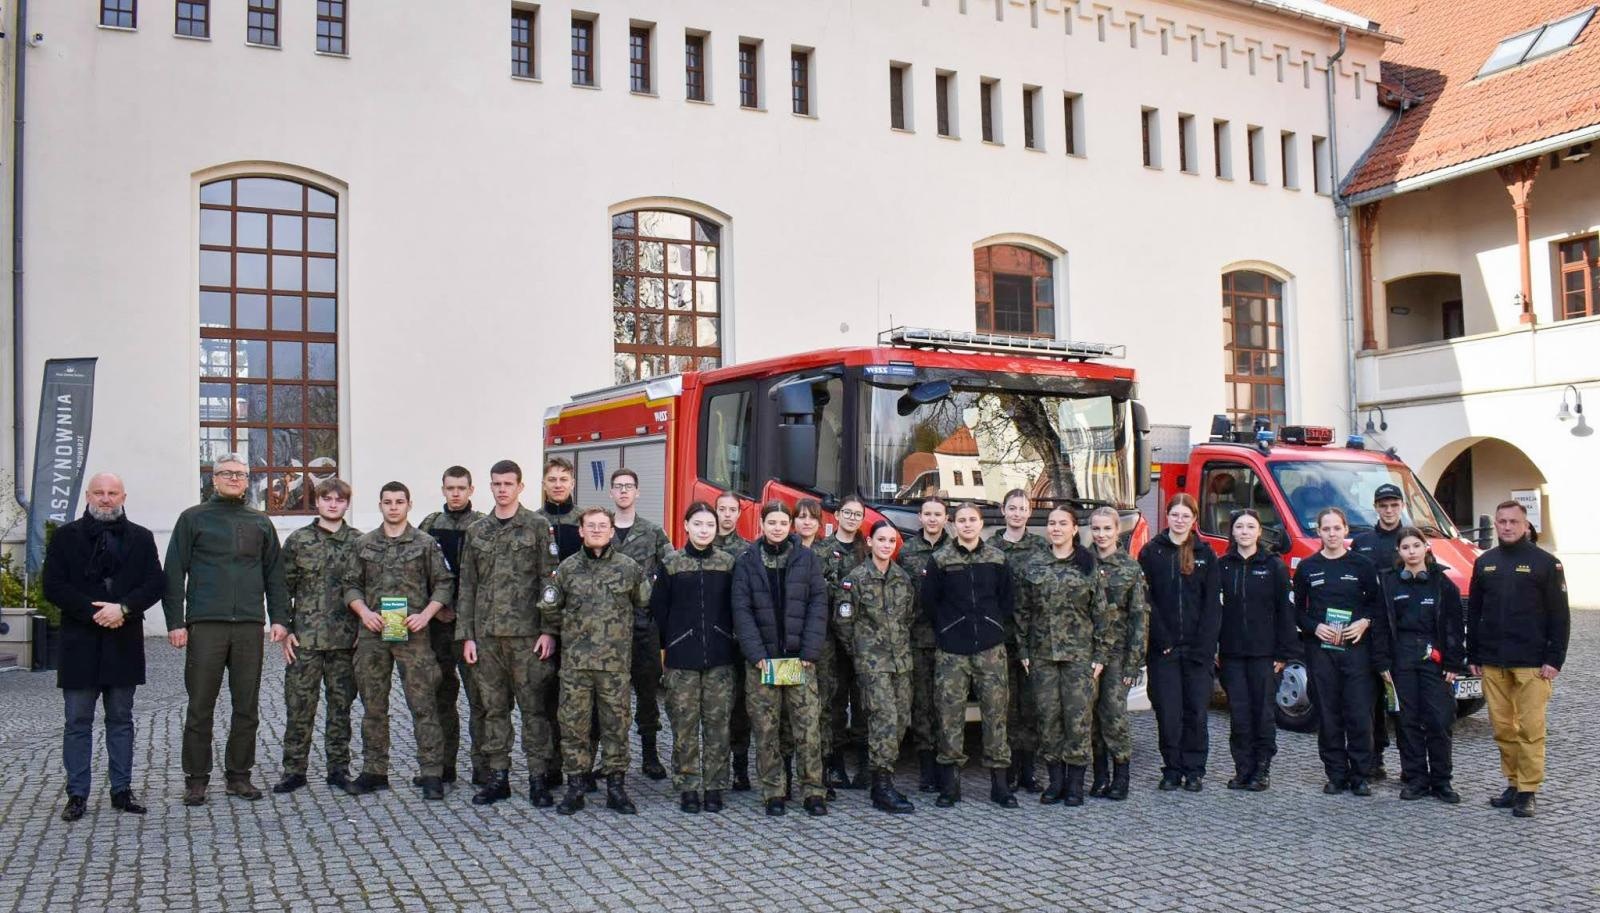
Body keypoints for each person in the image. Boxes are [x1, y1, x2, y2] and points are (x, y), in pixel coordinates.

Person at [164, 453, 290, 806]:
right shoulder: (193, 519)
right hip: (206, 624)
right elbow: (174, 572)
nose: (235, 479)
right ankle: (196, 778)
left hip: (249, 625)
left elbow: (274, 575)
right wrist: (176, 622)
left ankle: (239, 775)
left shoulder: (260, 522)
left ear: (248, 481)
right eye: (227, 473)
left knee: (247, 705)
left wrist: (279, 617)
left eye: (241, 474)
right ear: (214, 478)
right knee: (200, 704)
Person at [44, 472, 165, 821]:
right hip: (79, 641)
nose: (106, 498)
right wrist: (94, 612)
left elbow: (154, 582)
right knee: (77, 721)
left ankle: (121, 791)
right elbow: (53, 585)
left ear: (124, 496)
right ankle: (77, 794)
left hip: (123, 641)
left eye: (112, 493)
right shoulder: (66, 537)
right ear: (88, 495)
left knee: (121, 720)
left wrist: (123, 609)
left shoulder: (141, 538)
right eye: (99, 492)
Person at [340, 482, 454, 800]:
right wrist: (363, 612)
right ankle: (374, 771)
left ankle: (431, 773)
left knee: (424, 706)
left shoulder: (425, 543)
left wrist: (426, 615)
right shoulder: (364, 544)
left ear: (409, 504)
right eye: (388, 502)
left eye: (399, 502)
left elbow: (444, 584)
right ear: (380, 505)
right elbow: (350, 585)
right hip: (373, 635)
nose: (393, 507)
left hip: (413, 635)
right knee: (373, 707)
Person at [457, 460, 558, 807]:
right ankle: (498, 776)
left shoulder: (537, 526)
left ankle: (538, 778)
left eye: (508, 483)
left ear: (520, 487)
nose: (502, 489)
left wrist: (549, 630)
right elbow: (467, 584)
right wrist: (467, 635)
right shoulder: (477, 531)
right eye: (497, 483)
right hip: (486, 637)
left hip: (527, 637)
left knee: (534, 711)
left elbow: (549, 582)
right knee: (493, 710)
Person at [546, 507, 651, 816]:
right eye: (590, 526)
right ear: (580, 531)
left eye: (602, 526)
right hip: (576, 665)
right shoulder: (567, 569)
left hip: (614, 666)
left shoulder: (628, 568)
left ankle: (616, 787)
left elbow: (644, 603)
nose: (595, 530)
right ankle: (576, 786)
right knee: (574, 726)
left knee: (616, 726)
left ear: (610, 531)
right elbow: (550, 607)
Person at [1468, 500, 1569, 818]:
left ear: (1526, 526)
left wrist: (1554, 659)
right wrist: (1473, 654)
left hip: (1532, 663)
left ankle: (1528, 790)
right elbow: (1475, 612)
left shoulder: (1546, 564)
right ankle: (1512, 783)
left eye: (1513, 521)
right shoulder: (1485, 562)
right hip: (1493, 661)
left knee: (1530, 728)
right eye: (1501, 521)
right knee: (1502, 727)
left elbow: (1560, 616)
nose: (1507, 526)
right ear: (1494, 525)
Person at [731, 500, 830, 817]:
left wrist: (809, 652)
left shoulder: (806, 559)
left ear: (790, 526)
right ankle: (774, 790)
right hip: (763, 663)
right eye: (771, 522)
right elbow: (741, 610)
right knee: (766, 730)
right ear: (761, 524)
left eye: (782, 522)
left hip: (799, 661)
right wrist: (756, 654)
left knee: (807, 730)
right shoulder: (747, 560)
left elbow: (818, 605)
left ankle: (813, 790)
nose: (777, 527)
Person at [922, 503, 1016, 809]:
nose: (967, 525)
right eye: (961, 520)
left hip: (990, 648)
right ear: (953, 524)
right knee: (949, 716)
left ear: (981, 524)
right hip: (952, 651)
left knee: (996, 715)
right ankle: (950, 786)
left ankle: (1000, 786)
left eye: (972, 520)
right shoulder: (940, 560)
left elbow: (1007, 601)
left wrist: (992, 626)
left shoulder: (997, 558)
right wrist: (949, 630)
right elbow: (930, 604)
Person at [272, 478, 362, 795]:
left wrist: (362, 631)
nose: (333, 504)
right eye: (327, 499)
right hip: (305, 640)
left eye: (339, 499)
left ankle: (338, 769)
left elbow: (368, 591)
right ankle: (294, 771)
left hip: (345, 641)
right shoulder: (299, 541)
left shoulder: (358, 542)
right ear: (318, 502)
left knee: (341, 708)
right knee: (299, 707)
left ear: (347, 504)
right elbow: (283, 587)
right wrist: (283, 627)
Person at [1015, 506, 1108, 808]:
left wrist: (1100, 655)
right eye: (1052, 523)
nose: (1055, 528)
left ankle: (1076, 785)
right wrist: (1024, 650)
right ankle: (1055, 783)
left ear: (1073, 529)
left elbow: (1101, 612)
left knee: (1078, 720)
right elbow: (1022, 612)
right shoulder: (1034, 565)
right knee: (1048, 719)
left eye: (1062, 523)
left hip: (1080, 658)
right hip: (1042, 656)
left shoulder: (1088, 564)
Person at [651, 502, 739, 814]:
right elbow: (658, 611)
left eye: (709, 525)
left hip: (720, 657)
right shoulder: (672, 563)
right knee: (684, 726)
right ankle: (687, 785)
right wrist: (668, 647)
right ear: (686, 526)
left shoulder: (728, 563)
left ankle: (714, 786)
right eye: (698, 524)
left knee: (717, 726)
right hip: (681, 658)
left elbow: (736, 608)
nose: (704, 530)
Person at [1294, 507, 1388, 797]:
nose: (1332, 534)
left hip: (1357, 650)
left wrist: (1364, 622)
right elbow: (1298, 611)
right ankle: (1335, 774)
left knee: (1359, 714)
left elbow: (1377, 606)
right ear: (1318, 532)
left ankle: (1360, 774)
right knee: (1329, 714)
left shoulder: (1362, 565)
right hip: (1322, 651)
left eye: (1337, 528)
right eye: (1326, 529)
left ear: (1346, 530)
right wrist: (1314, 627)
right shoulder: (1308, 568)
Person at [1138, 493, 1219, 792]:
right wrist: (1163, 639)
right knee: (1168, 714)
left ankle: (1194, 770)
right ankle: (1172, 768)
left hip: (1198, 651)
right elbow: (1147, 601)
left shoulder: (1206, 555)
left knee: (1196, 712)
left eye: (1186, 516)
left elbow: (1212, 605)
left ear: (1194, 520)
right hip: (1164, 650)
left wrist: (1205, 647)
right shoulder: (1151, 553)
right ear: (1168, 516)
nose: (1180, 520)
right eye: (1175, 515)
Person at [1212, 509, 1298, 792]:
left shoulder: (1273, 566)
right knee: (1239, 714)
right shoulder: (1222, 566)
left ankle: (1262, 769)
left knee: (1263, 713)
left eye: (1251, 526)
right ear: (1232, 532)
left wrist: (1283, 654)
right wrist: (1216, 648)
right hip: (1233, 654)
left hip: (1265, 656)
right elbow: (1215, 612)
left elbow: (1285, 612)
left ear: (1259, 532)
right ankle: (1242, 768)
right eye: (1240, 526)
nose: (1245, 531)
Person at [836, 520, 916, 813]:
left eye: (891, 541)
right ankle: (882, 787)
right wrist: (861, 653)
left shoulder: (902, 579)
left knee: (899, 721)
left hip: (902, 664)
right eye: (881, 539)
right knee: (883, 719)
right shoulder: (855, 579)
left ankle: (880, 775)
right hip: (873, 664)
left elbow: (908, 618)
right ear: (869, 542)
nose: (886, 545)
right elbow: (844, 623)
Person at [1381, 527, 1465, 804]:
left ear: (1426, 547)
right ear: (1399, 552)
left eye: (1416, 545)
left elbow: (1454, 625)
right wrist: (1382, 662)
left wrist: (1453, 660)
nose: (1412, 551)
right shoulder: (1389, 583)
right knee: (1407, 721)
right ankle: (1416, 778)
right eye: (1406, 547)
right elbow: (1381, 626)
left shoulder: (1443, 583)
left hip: (1435, 659)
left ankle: (1442, 781)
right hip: (1401, 659)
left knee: (1439, 720)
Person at [418, 466, 486, 786]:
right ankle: (444, 765)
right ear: (442, 489)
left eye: (461, 488)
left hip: (472, 628)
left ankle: (482, 767)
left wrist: (461, 612)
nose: (455, 493)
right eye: (450, 488)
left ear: (471, 490)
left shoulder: (484, 526)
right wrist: (435, 609)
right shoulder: (430, 526)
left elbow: (489, 579)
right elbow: (416, 574)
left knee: (481, 699)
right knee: (440, 697)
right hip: (437, 627)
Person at [608, 467, 673, 782]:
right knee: (608, 696)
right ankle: (609, 759)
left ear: (637, 492)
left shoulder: (652, 532)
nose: (623, 492)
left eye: (628, 487)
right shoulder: (600, 528)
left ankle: (650, 755)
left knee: (647, 693)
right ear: (611, 493)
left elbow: (671, 567)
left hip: (643, 626)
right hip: (606, 629)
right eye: (618, 487)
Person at [987, 489, 1048, 794]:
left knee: (1031, 704)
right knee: (1005, 706)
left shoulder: (1041, 547)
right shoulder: (992, 547)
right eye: (1012, 507)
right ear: (1003, 510)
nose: (1017, 513)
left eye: (1022, 508)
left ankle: (1028, 770)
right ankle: (1008, 769)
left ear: (1029, 511)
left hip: (1033, 638)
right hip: (1000, 636)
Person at [1086, 507, 1147, 801]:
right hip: (1086, 653)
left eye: (1107, 529)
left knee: (1113, 714)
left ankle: (1121, 775)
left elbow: (1139, 617)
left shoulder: (1130, 568)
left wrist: (1134, 663)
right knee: (1091, 716)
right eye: (1096, 529)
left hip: (1118, 653)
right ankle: (1100, 777)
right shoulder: (1081, 562)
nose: (1101, 535)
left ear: (1116, 531)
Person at [897, 496, 952, 793]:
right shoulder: (907, 552)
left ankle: (946, 765)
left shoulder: (955, 550)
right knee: (921, 705)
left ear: (946, 519)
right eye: (927, 514)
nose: (932, 519)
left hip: (949, 640)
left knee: (946, 704)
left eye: (938, 514)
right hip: (918, 639)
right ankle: (926, 767)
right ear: (919, 518)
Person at [1352, 482, 1406, 780]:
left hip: (1403, 631)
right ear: (1376, 507)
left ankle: (1411, 765)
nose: (1389, 510)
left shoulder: (1411, 539)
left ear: (1401, 507)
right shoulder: (1363, 542)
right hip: (1370, 629)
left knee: (1403, 700)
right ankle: (1374, 758)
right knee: (1371, 699)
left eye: (1394, 505)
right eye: (1384, 505)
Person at [817, 494, 870, 789]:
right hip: (831, 639)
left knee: (863, 701)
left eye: (857, 514)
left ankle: (864, 764)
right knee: (834, 702)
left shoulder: (868, 550)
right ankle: (834, 764)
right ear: (837, 515)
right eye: (847, 513)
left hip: (862, 638)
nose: (852, 518)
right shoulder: (823, 550)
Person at [535, 456, 582, 786]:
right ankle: (550, 764)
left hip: (581, 627)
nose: (557, 484)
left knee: (581, 699)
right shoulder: (532, 522)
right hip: (544, 625)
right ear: (544, 483)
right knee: (547, 696)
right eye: (552, 479)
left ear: (572, 483)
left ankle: (582, 765)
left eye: (563, 478)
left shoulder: (587, 521)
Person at [794, 498, 838, 795]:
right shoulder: (785, 550)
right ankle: (787, 772)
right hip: (790, 640)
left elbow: (833, 592)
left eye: (812, 518)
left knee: (822, 707)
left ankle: (820, 773)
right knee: (791, 712)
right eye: (801, 517)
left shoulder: (828, 554)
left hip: (822, 641)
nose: (807, 522)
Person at [712, 489, 755, 791]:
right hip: (712, 636)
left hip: (739, 637)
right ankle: (716, 767)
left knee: (741, 706)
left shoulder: (748, 551)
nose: (727, 514)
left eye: (732, 510)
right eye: (722, 509)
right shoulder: (701, 544)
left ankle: (740, 766)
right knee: (715, 706)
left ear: (739, 514)